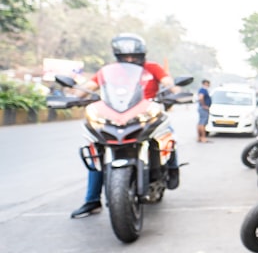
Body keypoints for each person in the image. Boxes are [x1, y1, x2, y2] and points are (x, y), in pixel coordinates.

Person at [70, 33, 182, 218]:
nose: (130, 60)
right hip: (115, 116)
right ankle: (92, 201)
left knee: (169, 134)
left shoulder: (152, 68)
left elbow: (168, 83)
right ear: (118, 57)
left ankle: (172, 169)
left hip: (146, 113)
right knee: (97, 151)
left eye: (134, 57)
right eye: (125, 57)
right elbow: (89, 86)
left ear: (142, 56)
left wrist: (175, 91)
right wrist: (74, 96)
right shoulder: (109, 71)